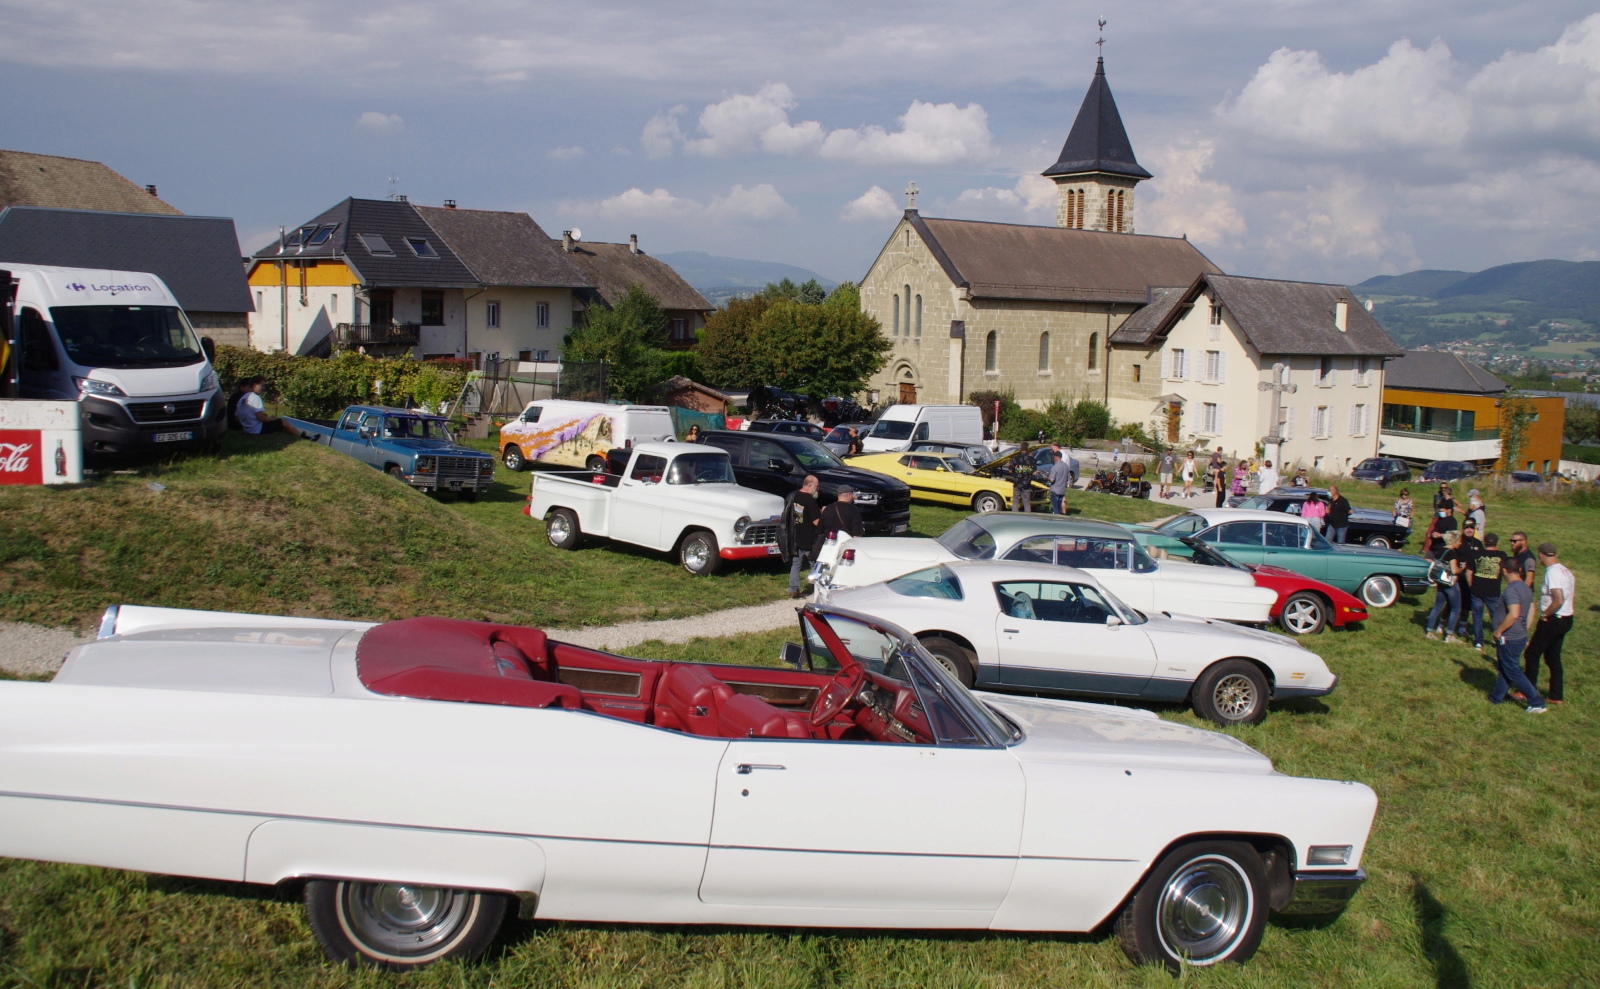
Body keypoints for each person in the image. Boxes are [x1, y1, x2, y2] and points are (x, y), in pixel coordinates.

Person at [1489, 555, 1546, 714]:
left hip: (1509, 637)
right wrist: (1525, 629)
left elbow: (1514, 614)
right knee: (1505, 668)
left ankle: (1536, 702)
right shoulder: (1525, 588)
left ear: (1505, 571)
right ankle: (1496, 697)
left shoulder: (1511, 590)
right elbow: (1532, 610)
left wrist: (1499, 631)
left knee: (1512, 670)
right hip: (1518, 636)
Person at [1523, 542, 1574, 705]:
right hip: (1566, 618)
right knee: (1553, 657)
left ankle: (1527, 691)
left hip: (1553, 619)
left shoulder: (1552, 573)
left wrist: (1545, 614)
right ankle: (1556, 695)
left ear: (1541, 555)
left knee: (1531, 653)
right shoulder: (1565, 571)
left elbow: (1558, 599)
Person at [1462, 530, 1506, 652]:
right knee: (1496, 617)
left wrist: (1472, 586)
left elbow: (1468, 573)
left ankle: (1478, 642)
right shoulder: (1502, 555)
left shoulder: (1475, 554)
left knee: (1477, 616)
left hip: (1477, 590)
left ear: (1484, 542)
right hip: (1493, 591)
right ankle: (1498, 638)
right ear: (1496, 543)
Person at [782, 475, 821, 599]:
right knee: (814, 564)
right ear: (809, 485)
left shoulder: (792, 496)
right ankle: (818, 587)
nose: (817, 489)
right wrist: (823, 515)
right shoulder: (809, 500)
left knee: (796, 564)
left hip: (794, 537)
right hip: (809, 538)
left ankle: (793, 588)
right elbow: (816, 522)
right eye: (816, 486)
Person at [1425, 531, 1465, 643]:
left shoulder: (1441, 550)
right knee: (1455, 608)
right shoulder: (1452, 553)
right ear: (1454, 541)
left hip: (1440, 582)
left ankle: (1429, 631)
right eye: (1459, 541)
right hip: (1450, 583)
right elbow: (1454, 570)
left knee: (1437, 606)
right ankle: (1449, 635)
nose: (1460, 543)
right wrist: (1462, 568)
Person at [235, 377, 305, 439]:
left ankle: (295, 436)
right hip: (257, 430)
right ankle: (302, 437)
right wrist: (271, 418)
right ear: (255, 385)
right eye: (262, 386)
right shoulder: (255, 397)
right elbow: (261, 418)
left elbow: (237, 417)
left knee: (279, 425)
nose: (264, 388)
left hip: (247, 429)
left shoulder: (243, 398)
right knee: (284, 422)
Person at [816, 485, 865, 555]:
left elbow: (820, 531)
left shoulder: (828, 508)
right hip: (845, 548)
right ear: (849, 495)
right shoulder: (853, 510)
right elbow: (857, 535)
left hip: (829, 547)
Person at [1010, 442, 1038, 512]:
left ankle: (1015, 514)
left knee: (1016, 500)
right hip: (1027, 483)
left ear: (1020, 448)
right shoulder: (1031, 459)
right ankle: (1027, 517)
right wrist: (1027, 471)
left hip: (1017, 482)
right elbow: (1034, 472)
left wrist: (1017, 471)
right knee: (1027, 502)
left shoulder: (1015, 458)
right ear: (1028, 449)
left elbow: (1010, 470)